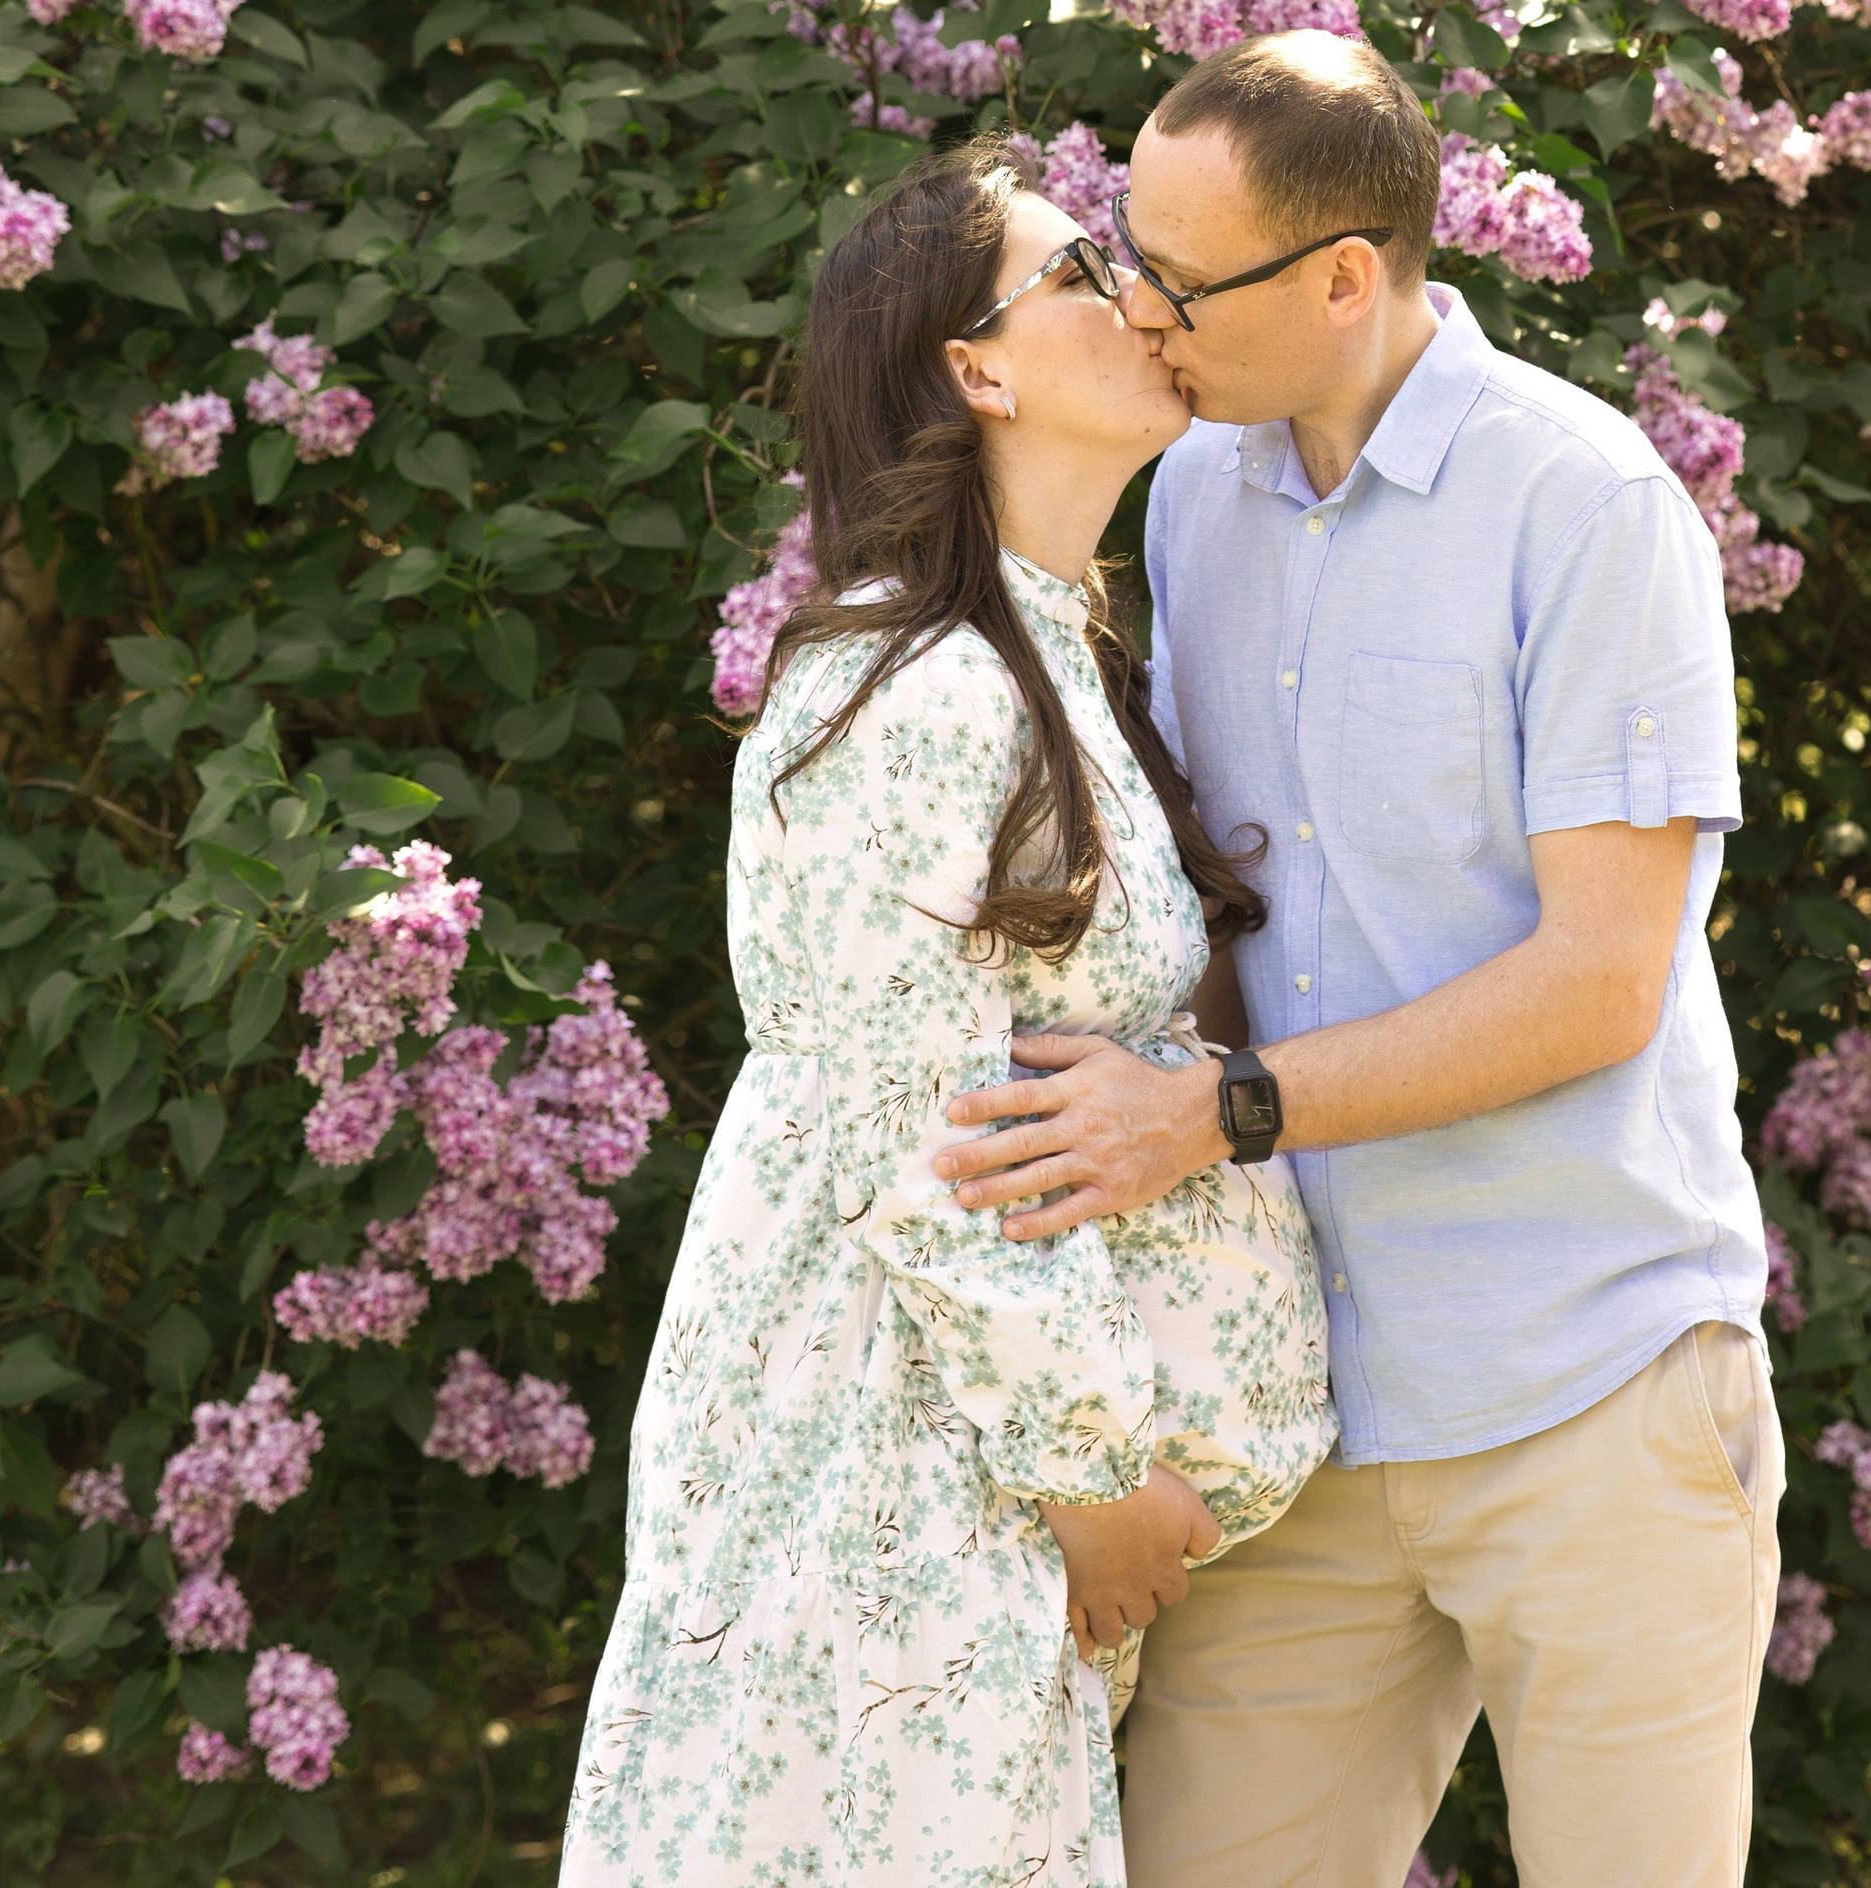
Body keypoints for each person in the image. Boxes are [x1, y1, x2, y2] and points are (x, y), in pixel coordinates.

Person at [933, 32, 1780, 1888]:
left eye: (1177, 274)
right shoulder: (1191, 500)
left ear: (1343, 280)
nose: (1135, 308)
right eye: (1122, 256)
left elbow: (1597, 986)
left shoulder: (1589, 505)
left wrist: (1213, 1113)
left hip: (1596, 1388)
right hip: (1298, 1415)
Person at [560, 142, 1334, 1888]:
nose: (1142, 297)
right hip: (894, 1492)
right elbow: (913, 1132)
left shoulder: (1056, 655)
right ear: (972, 369)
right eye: (1080, 272)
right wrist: (1090, 1476)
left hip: (964, 1495)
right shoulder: (906, 694)